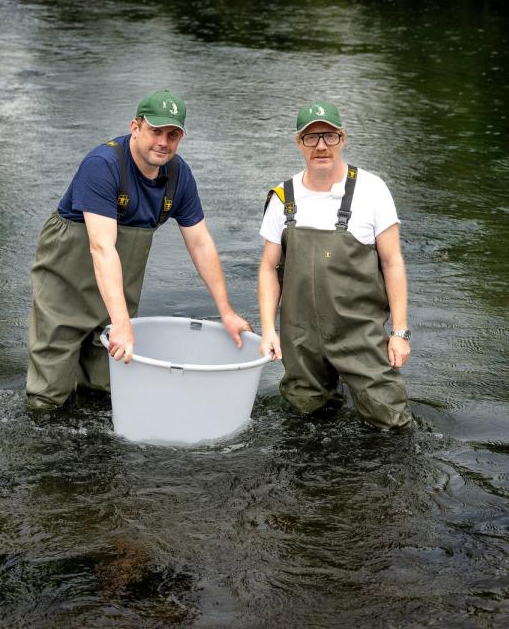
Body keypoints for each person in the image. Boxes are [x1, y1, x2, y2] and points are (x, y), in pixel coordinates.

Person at [27, 89, 251, 409]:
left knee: (107, 389)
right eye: (155, 131)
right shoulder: (103, 165)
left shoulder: (178, 175)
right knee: (50, 392)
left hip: (118, 288)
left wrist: (226, 312)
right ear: (135, 127)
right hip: (67, 280)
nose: (163, 141)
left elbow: (201, 243)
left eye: (172, 134)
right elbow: (102, 248)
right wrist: (121, 324)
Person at [257, 101, 411, 427]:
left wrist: (399, 332)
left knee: (391, 424)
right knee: (305, 424)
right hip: (301, 339)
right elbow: (269, 267)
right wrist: (269, 329)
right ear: (299, 143)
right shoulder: (283, 198)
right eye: (311, 138)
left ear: (342, 138)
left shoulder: (372, 190)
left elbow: (393, 261)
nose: (321, 146)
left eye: (328, 136)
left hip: (360, 334)